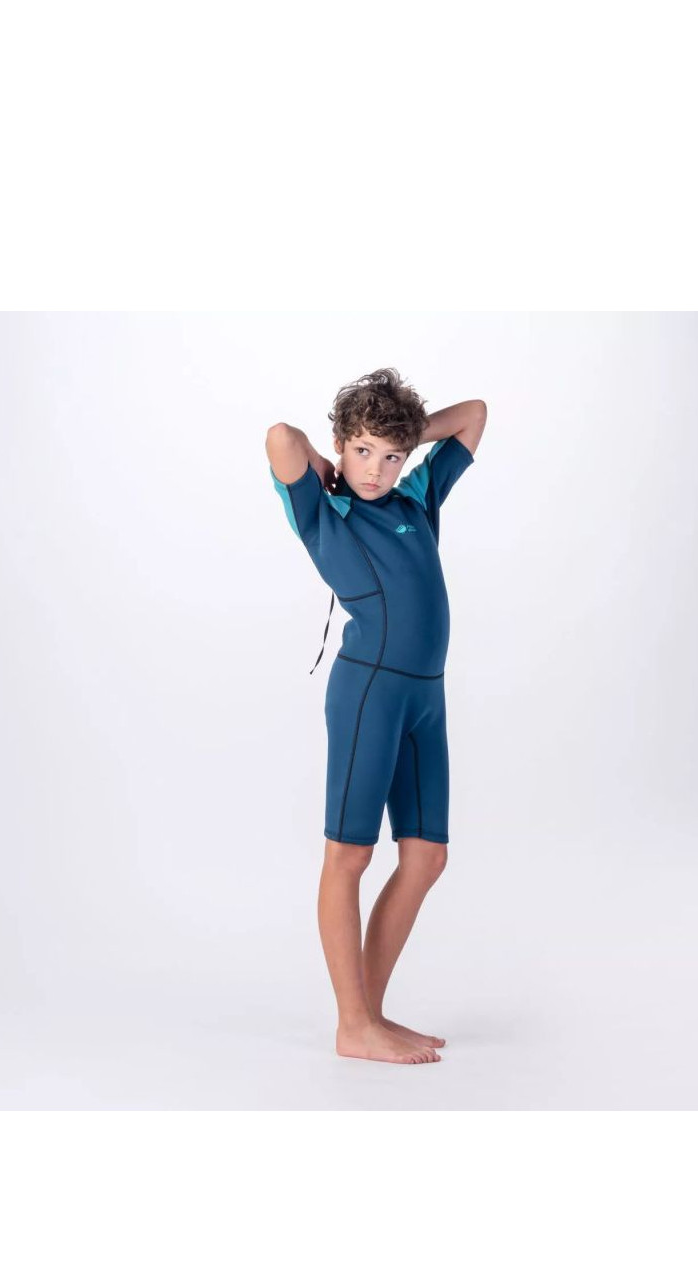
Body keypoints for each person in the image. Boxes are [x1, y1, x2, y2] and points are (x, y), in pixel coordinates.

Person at [266, 368, 487, 1065]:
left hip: (427, 699)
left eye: (392, 456)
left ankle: (372, 1015)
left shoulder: (417, 496)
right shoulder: (324, 512)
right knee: (350, 854)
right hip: (368, 693)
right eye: (363, 451)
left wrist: (405, 436)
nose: (376, 469)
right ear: (342, 445)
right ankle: (352, 1025)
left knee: (426, 856)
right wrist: (328, 460)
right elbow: (280, 438)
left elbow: (474, 414)